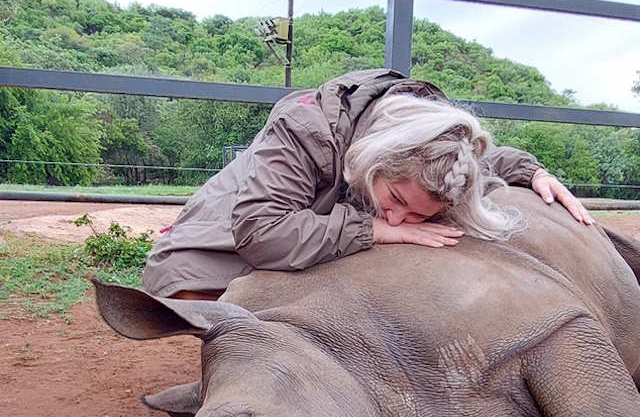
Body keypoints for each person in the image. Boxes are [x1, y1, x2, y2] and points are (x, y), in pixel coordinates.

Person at [142, 69, 592, 301]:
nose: (400, 217)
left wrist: (535, 172)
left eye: (419, 214)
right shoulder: (305, 128)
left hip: (321, 212)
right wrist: (374, 229)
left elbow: (477, 159)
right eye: (395, 199)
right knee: (183, 286)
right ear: (377, 158)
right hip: (243, 218)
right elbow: (260, 231)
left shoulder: (432, 143)